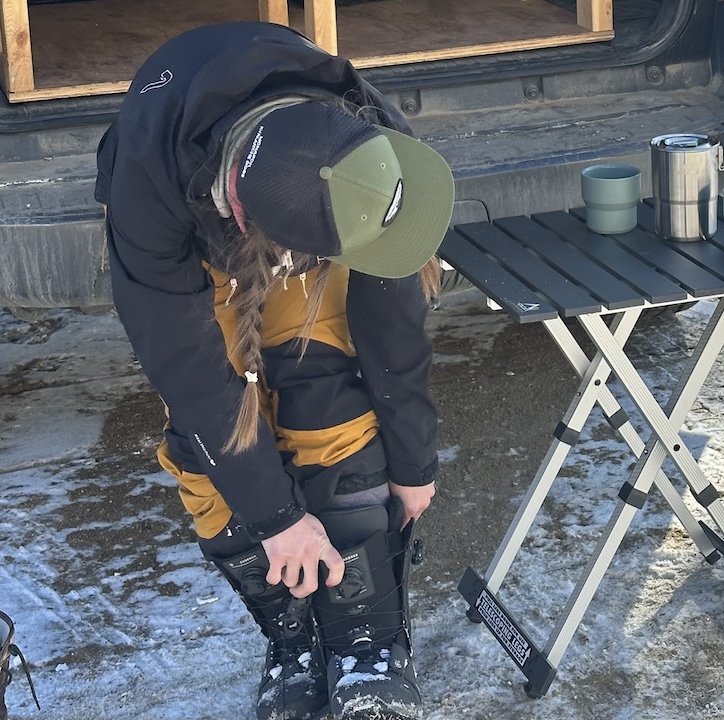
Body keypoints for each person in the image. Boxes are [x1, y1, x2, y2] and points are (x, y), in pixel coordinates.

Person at [94, 21, 454, 720]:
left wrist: (414, 458)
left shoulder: (367, 140)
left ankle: (366, 642)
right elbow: (191, 379)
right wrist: (277, 518)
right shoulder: (147, 192)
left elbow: (392, 321)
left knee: (326, 392)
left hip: (302, 202)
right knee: (210, 452)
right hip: (194, 229)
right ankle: (291, 636)